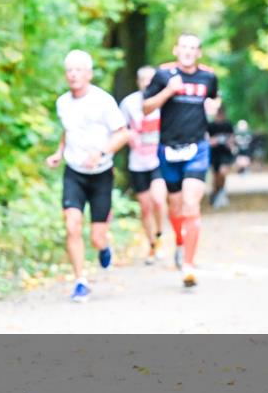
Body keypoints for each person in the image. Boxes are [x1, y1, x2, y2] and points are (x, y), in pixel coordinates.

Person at [46, 50, 129, 303]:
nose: (73, 74)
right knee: (72, 225)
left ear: (89, 74)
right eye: (69, 70)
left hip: (101, 174)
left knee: (96, 237)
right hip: (74, 172)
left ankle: (104, 247)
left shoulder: (103, 101)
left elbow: (123, 133)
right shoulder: (63, 102)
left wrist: (101, 152)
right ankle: (80, 281)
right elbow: (68, 131)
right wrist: (59, 152)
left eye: (78, 70)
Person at [143, 33, 219, 287]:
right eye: (184, 47)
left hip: (197, 148)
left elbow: (214, 97)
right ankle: (179, 240)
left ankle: (188, 265)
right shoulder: (163, 74)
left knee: (191, 204)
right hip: (168, 149)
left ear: (199, 53)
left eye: (193, 48)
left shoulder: (208, 77)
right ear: (176, 50)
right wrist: (168, 91)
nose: (188, 52)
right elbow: (146, 107)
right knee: (175, 206)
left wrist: (213, 106)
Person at [119, 66, 168, 265]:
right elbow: (120, 129)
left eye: (151, 79)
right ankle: (152, 245)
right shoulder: (128, 103)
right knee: (145, 207)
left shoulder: (163, 102)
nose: (147, 83)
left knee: (158, 200)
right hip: (138, 163)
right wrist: (129, 136)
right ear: (138, 82)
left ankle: (160, 234)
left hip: (158, 160)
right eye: (143, 80)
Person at [207, 105, 236, 207]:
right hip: (214, 154)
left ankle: (221, 191)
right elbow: (207, 140)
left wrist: (230, 143)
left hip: (225, 154)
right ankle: (216, 193)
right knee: (216, 176)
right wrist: (214, 141)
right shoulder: (211, 126)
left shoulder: (228, 125)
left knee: (222, 173)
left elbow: (232, 138)